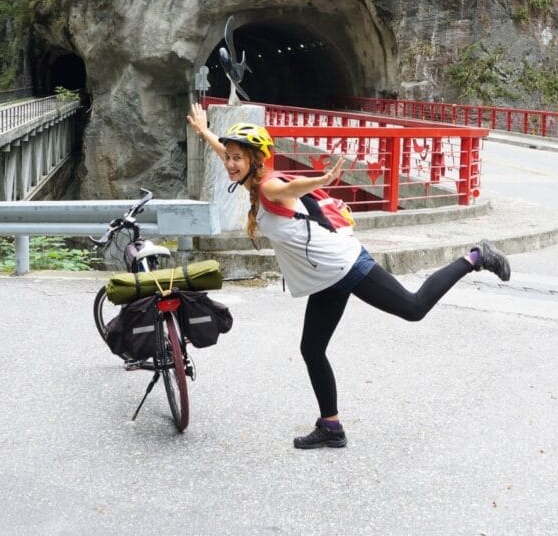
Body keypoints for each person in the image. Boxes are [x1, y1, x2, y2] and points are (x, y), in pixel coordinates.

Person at [187, 103, 511, 449]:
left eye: (238, 158)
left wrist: (321, 180)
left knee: (414, 308)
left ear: (255, 159)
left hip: (346, 265)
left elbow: (290, 188)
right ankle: (331, 427)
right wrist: (205, 132)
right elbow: (230, 155)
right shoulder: (252, 178)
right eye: (230, 157)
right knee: (312, 349)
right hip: (326, 277)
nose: (231, 163)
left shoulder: (268, 187)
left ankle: (476, 256)